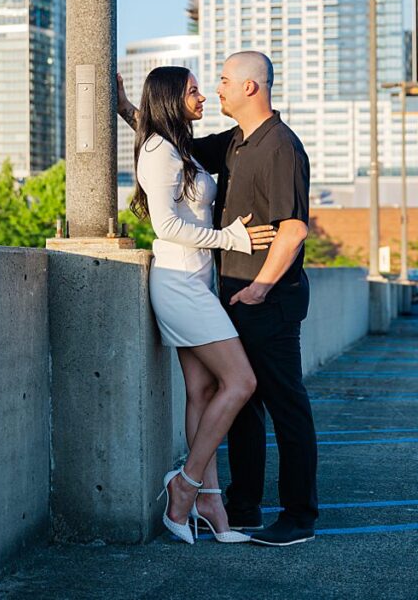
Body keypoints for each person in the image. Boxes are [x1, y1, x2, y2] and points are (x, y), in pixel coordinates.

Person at [121, 51, 317, 547]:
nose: (215, 89)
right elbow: (164, 141)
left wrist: (262, 286)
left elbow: (293, 231)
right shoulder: (232, 143)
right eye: (204, 86)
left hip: (266, 297)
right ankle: (241, 503)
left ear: (251, 87)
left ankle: (296, 515)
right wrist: (125, 107)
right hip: (223, 293)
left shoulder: (281, 147)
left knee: (280, 402)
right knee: (240, 403)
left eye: (225, 80)